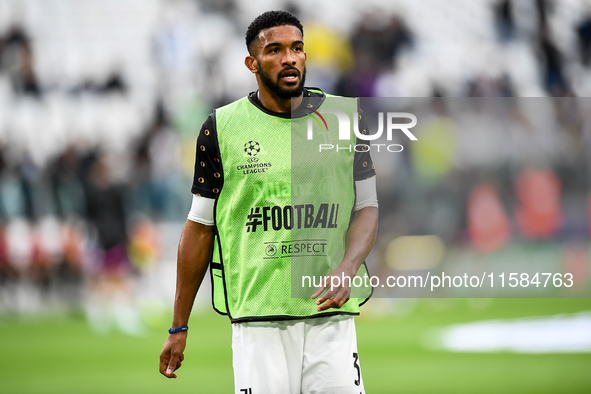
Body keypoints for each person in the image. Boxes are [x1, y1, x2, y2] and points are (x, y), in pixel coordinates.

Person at [159, 10, 379, 393]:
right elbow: (199, 227)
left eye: (297, 48)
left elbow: (367, 207)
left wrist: (348, 266)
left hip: (330, 315)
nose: (289, 58)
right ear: (252, 63)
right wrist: (179, 325)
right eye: (274, 50)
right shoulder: (221, 128)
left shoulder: (346, 118)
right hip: (258, 322)